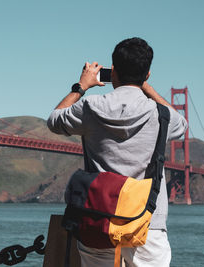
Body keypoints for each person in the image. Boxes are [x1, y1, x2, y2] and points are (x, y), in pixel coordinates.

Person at [47, 37, 188, 267]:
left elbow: (54, 120)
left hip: (98, 218)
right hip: (148, 223)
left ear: (113, 71)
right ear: (147, 74)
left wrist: (81, 86)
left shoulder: (90, 108)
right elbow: (181, 124)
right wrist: (145, 85)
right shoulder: (161, 116)